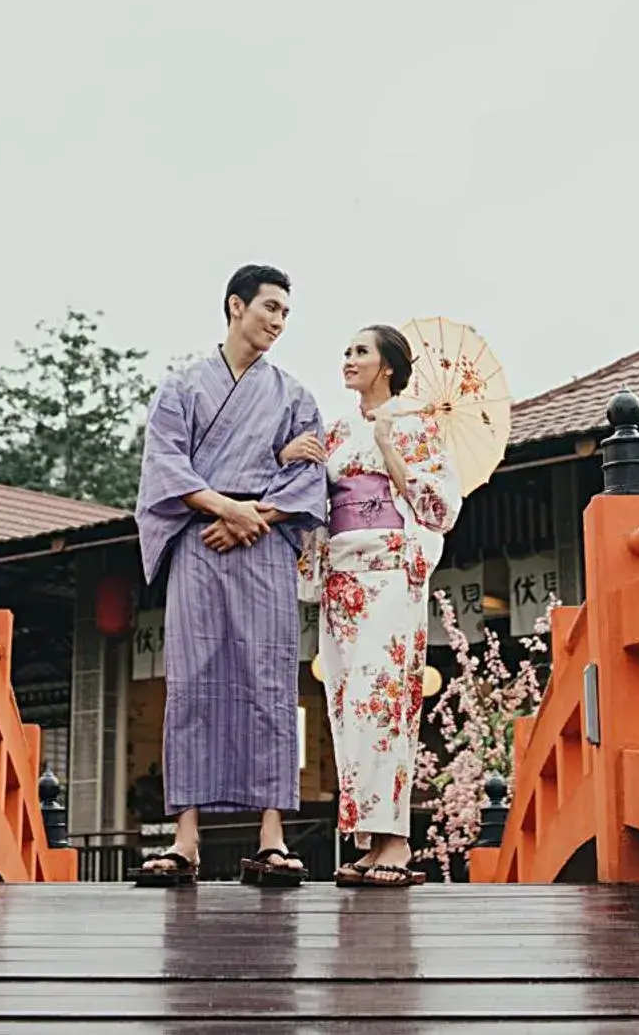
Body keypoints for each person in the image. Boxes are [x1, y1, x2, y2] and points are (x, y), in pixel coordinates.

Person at [131, 264, 329, 888]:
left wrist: (254, 514)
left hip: (264, 544)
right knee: (193, 678)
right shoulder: (182, 388)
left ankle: (270, 837)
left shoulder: (295, 396)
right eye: (269, 307)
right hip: (201, 541)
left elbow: (312, 477)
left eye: (286, 313)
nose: (277, 321)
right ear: (235, 306)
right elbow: (165, 465)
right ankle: (184, 839)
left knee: (270, 679)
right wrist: (225, 507)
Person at [293, 324, 461, 889]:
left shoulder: (416, 425)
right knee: (347, 705)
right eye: (345, 351)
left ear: (387, 365)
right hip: (342, 574)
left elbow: (441, 507)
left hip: (389, 572)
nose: (348, 359)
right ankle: (368, 838)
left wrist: (391, 450)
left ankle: (397, 840)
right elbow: (314, 499)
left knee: (385, 700)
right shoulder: (336, 431)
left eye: (360, 351)